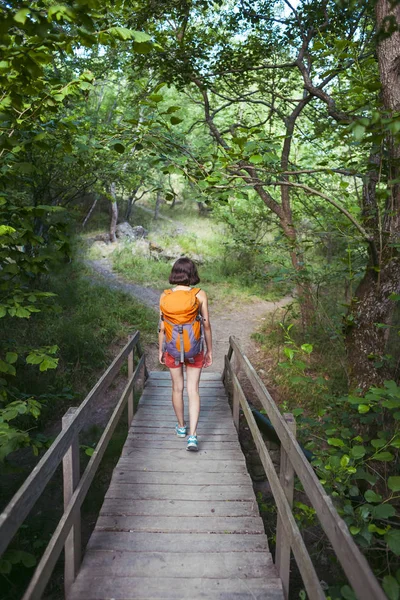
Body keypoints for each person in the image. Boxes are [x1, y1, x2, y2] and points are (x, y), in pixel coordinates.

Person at [158, 257, 213, 452]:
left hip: (172, 349)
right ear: (192, 274)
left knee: (176, 388)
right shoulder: (199, 295)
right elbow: (205, 324)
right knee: (193, 391)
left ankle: (181, 427)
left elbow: (163, 327)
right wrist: (209, 350)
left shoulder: (164, 296)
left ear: (175, 273)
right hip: (194, 349)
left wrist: (161, 350)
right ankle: (193, 436)